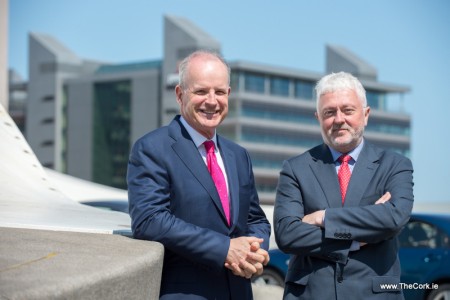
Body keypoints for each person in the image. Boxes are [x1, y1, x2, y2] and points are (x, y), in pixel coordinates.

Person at [127, 50, 271, 300]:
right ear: (180, 95)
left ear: (228, 94)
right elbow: (149, 220)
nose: (212, 101)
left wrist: (255, 251)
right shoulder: (152, 148)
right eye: (201, 91)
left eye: (220, 91)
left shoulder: (239, 155)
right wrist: (224, 249)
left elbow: (255, 219)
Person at [273, 72, 414, 299]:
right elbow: (287, 234)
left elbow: (393, 218)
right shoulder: (295, 168)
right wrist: (360, 235)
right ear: (318, 117)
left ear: (366, 114)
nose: (339, 119)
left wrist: (323, 218)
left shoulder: (395, 165)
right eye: (329, 112)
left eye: (348, 110)